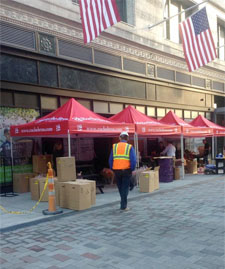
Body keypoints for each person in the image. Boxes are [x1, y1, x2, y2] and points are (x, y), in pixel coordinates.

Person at [109, 131, 136, 211]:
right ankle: (123, 205)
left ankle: (123, 204)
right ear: (127, 139)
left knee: (120, 188)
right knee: (124, 188)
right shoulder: (129, 147)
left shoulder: (114, 146)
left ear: (119, 138)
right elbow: (133, 160)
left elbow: (110, 159)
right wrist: (132, 169)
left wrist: (112, 168)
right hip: (126, 170)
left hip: (117, 170)